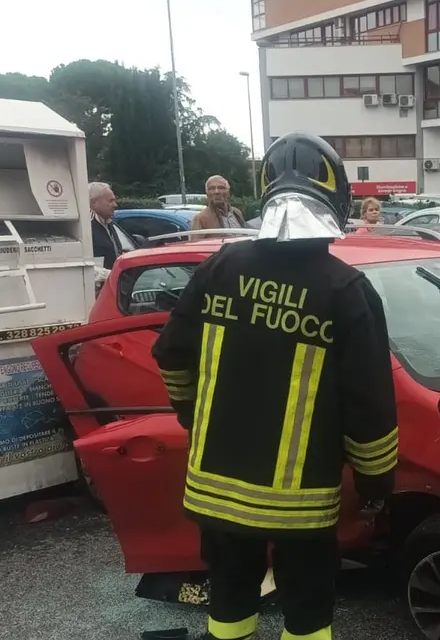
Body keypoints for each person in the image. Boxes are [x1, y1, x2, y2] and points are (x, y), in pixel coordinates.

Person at [151, 132, 398, 640]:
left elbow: (171, 354)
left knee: (229, 598)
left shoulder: (219, 268)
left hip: (215, 490)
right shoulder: (346, 291)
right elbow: (369, 408)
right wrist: (376, 487)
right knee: (307, 612)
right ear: (336, 200)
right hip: (300, 502)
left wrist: (191, 415)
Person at [89, 181, 128, 270]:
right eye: (111, 201)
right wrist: (110, 275)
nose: (115, 205)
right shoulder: (86, 228)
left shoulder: (109, 223)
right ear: (94, 203)